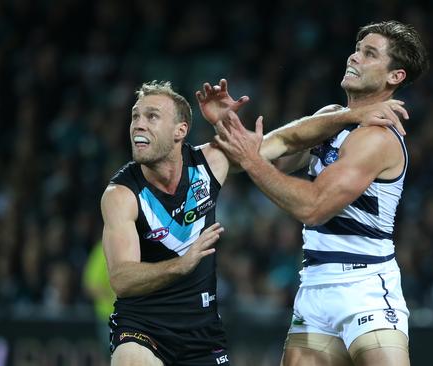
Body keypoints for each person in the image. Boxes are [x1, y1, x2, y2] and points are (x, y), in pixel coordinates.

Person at [101, 80, 408, 366]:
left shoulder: (209, 166)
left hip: (201, 334)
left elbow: (284, 140)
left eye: (151, 116)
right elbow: (122, 279)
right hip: (142, 327)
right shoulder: (122, 194)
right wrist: (182, 264)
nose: (138, 124)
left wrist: (350, 115)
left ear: (180, 130)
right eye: (135, 116)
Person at [212, 20, 429, 366]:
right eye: (357, 49)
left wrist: (250, 159)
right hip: (315, 286)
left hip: (365, 288)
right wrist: (231, 130)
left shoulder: (377, 137)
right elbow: (270, 161)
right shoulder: (333, 118)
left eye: (369, 54)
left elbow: (313, 207)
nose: (354, 58)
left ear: (395, 77)